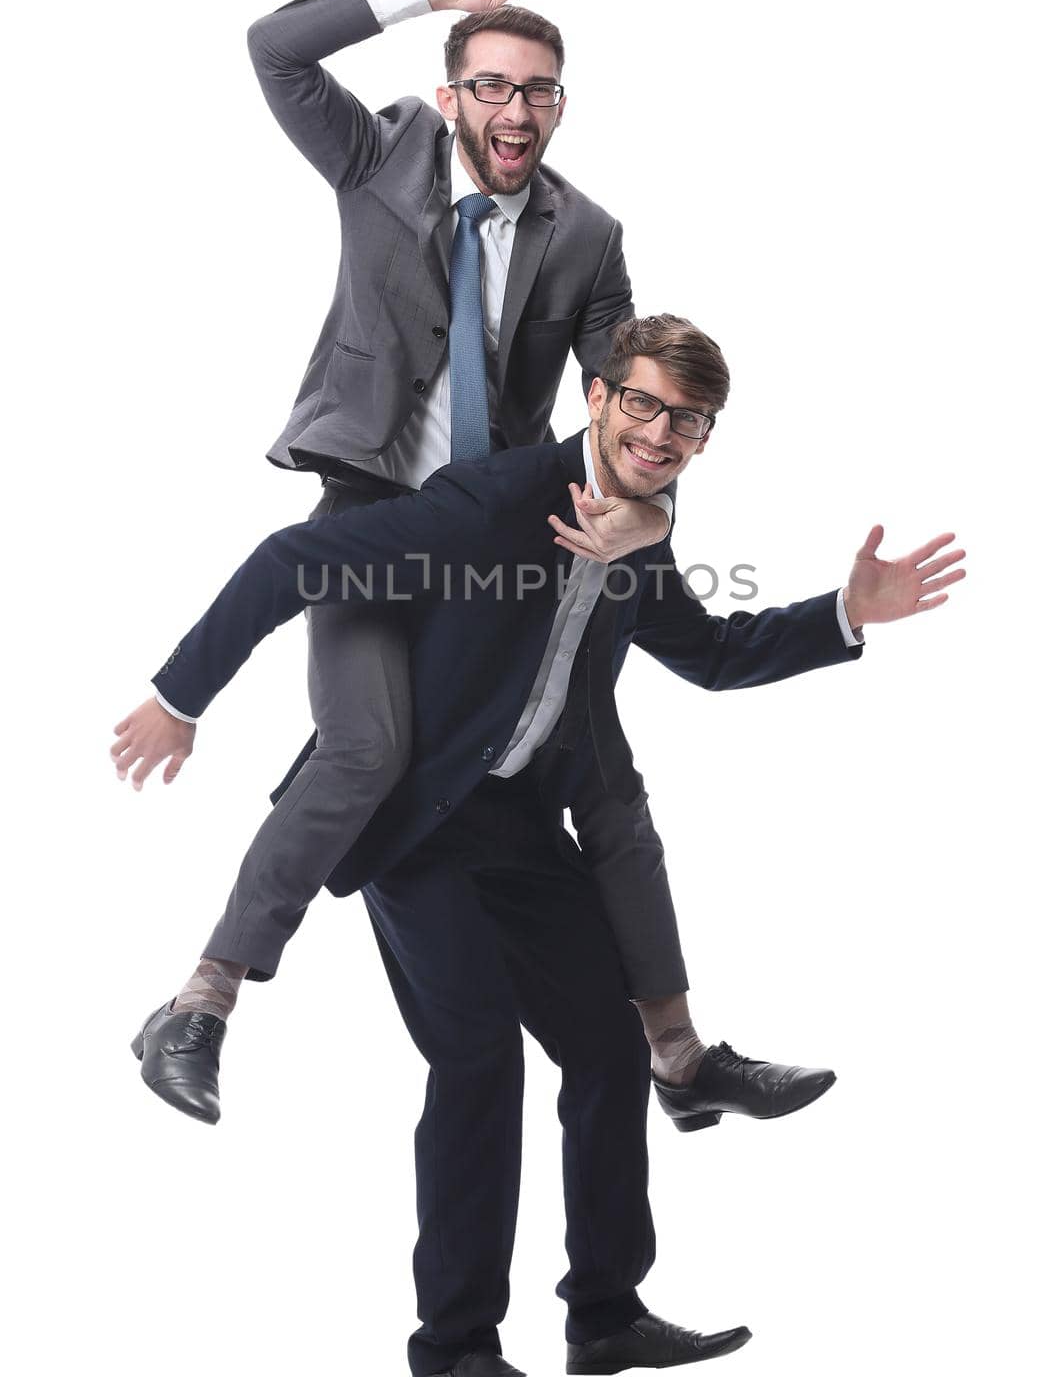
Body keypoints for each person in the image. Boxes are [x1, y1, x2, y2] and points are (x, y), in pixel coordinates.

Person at [119, 316, 965, 1375]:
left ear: (706, 436)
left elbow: (706, 653)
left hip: (520, 823)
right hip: (420, 823)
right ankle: (456, 1347)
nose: (661, 432)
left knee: (609, 1052)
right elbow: (295, 558)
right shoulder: (494, 503)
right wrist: (178, 695)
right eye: (644, 404)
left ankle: (605, 1317)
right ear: (601, 398)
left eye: (688, 421)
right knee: (478, 1058)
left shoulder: (642, 527)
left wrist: (842, 612)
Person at [117, 0, 680, 1060]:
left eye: (537, 91)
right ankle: (201, 1001)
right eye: (491, 85)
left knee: (602, 766)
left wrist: (650, 522)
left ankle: (674, 1049)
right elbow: (273, 49)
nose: (515, 110)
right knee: (368, 746)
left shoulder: (588, 237)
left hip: (497, 540)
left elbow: (630, 403)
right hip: (373, 518)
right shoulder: (379, 155)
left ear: (558, 106)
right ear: (451, 96)